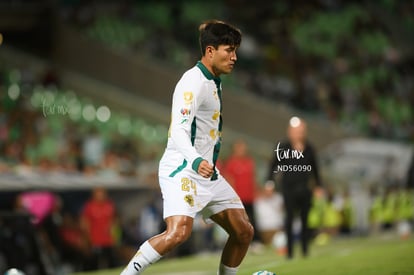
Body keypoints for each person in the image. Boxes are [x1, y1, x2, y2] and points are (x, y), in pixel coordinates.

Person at [121, 20, 253, 275]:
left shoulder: (213, 78)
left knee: (243, 231)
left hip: (207, 173)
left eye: (235, 50)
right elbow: (178, 130)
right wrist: (194, 161)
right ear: (211, 51)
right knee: (178, 232)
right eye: (230, 50)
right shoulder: (192, 83)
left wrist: (210, 27)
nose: (234, 57)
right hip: (183, 168)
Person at [266, 116, 322, 259]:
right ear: (290, 131)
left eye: (301, 130)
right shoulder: (283, 147)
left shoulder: (309, 148)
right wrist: (269, 182)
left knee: (305, 220)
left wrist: (318, 186)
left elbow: (315, 169)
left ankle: (304, 250)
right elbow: (273, 165)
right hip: (289, 188)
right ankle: (289, 252)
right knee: (289, 220)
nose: (299, 133)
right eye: (296, 130)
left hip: (305, 188)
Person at [223, 139, 261, 243]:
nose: (242, 150)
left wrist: (256, 192)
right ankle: (239, 242)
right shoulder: (231, 163)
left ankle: (255, 241)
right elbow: (229, 180)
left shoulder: (250, 162)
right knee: (239, 222)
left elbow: (254, 178)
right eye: (239, 147)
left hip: (249, 198)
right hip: (238, 199)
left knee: (252, 220)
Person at [80, 187, 118, 270]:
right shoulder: (90, 206)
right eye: (99, 193)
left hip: (108, 240)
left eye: (103, 193)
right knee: (94, 264)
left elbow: (114, 221)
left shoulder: (109, 205)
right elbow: (85, 223)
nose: (101, 195)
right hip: (95, 241)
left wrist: (115, 236)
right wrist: (87, 239)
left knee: (112, 263)